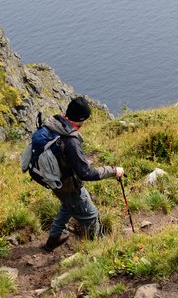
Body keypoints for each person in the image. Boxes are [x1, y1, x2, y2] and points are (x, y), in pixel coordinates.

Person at [42, 96, 124, 251]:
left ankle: (53, 240)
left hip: (54, 180)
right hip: (68, 184)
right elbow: (86, 173)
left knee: (68, 206)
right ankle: (97, 250)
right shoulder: (71, 140)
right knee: (91, 216)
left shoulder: (54, 124)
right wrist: (113, 171)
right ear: (82, 118)